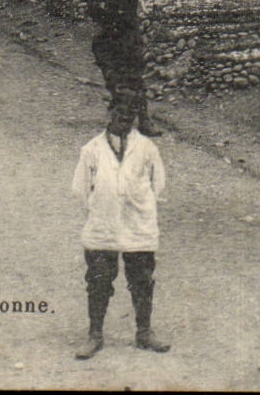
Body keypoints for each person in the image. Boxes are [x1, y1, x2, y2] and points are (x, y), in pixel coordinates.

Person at [72, 97, 170, 359]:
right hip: (103, 227)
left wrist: (136, 201)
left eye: (132, 113)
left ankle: (145, 332)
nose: (126, 117)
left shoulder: (147, 148)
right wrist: (104, 204)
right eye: (121, 111)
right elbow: (80, 190)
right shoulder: (91, 150)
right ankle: (95, 335)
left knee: (142, 280)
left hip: (138, 225)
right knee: (99, 280)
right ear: (110, 111)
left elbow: (158, 183)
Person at [84, 0, 160, 136]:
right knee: (114, 78)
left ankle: (143, 120)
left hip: (127, 38)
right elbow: (92, 9)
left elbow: (129, 12)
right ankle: (121, 115)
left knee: (135, 78)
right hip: (107, 39)